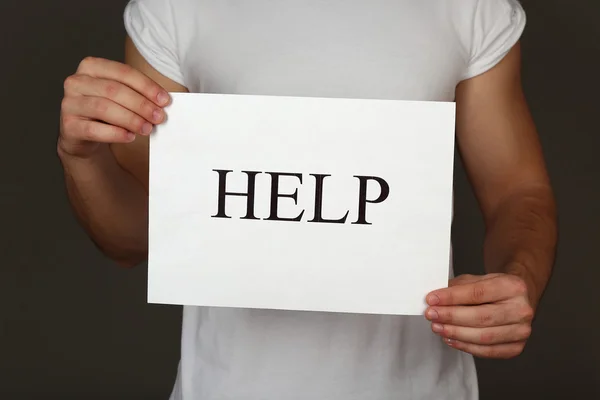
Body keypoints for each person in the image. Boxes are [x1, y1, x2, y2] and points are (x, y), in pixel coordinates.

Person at [57, 0, 557, 399]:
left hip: (420, 389)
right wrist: (83, 158)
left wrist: (520, 280)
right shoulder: (175, 8)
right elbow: (133, 238)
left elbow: (518, 191)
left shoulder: (472, 7)